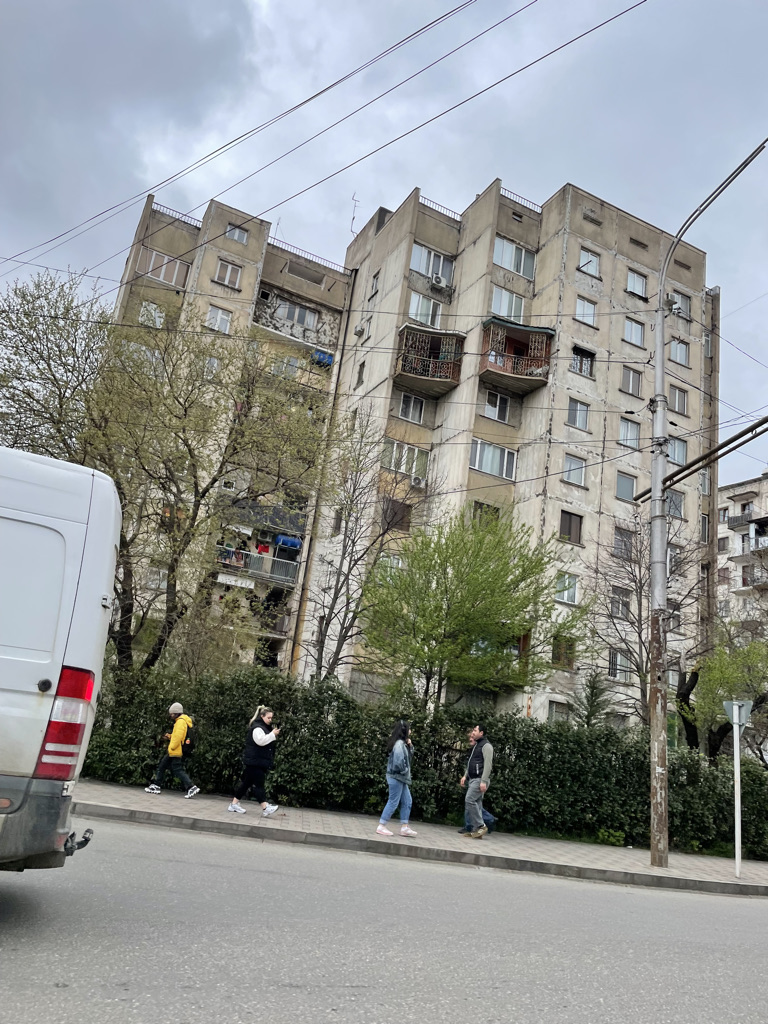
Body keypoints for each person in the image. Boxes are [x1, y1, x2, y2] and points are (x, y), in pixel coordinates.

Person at [228, 705, 280, 816]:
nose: (270, 720)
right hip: (255, 761)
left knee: (246, 783)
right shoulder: (257, 728)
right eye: (268, 718)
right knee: (259, 784)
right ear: (262, 716)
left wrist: (271, 734)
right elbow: (260, 741)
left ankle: (234, 804)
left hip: (256, 761)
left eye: (271, 718)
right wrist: (272, 735)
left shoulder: (262, 727)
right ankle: (265, 807)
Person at [145, 702, 200, 798]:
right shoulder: (182, 721)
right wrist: (170, 736)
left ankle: (191, 787)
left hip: (175, 751)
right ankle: (156, 785)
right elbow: (178, 736)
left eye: (172, 713)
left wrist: (172, 747)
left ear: (177, 713)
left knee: (177, 769)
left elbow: (178, 737)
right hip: (175, 750)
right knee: (162, 766)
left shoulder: (180, 722)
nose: (171, 715)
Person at [376, 720, 417, 838]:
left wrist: (410, 746)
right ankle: (381, 826)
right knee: (393, 801)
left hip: (401, 778)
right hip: (396, 777)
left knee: (407, 801)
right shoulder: (399, 744)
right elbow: (399, 762)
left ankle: (404, 827)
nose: (410, 731)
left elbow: (409, 757)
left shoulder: (403, 744)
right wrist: (405, 771)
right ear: (404, 730)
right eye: (409, 728)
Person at [458, 730, 496, 835]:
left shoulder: (486, 746)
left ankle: (480, 825)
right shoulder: (477, 746)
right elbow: (472, 763)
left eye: (475, 730)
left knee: (469, 799)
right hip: (473, 779)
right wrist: (465, 776)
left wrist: (483, 781)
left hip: (479, 779)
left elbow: (488, 765)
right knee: (477, 804)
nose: (473, 733)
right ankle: (476, 830)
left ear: (481, 733)